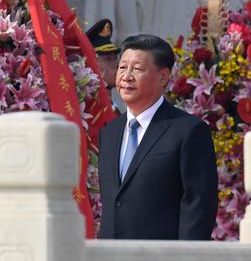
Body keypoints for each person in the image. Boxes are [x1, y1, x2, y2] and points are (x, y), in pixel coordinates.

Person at [98, 34, 217, 240]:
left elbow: (198, 207)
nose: (126, 76)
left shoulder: (188, 130)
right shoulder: (109, 133)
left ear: (163, 77)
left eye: (137, 69)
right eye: (122, 67)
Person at [85, 18, 123, 114]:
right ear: (92, 64)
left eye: (115, 58)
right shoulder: (91, 110)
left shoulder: (112, 106)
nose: (117, 65)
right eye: (108, 59)